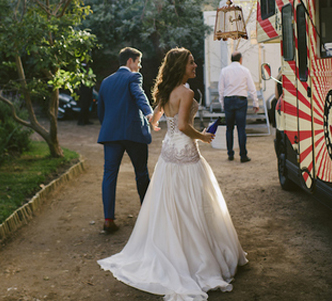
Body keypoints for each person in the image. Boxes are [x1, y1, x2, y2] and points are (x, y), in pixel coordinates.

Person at [98, 48, 248, 301]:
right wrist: (203, 135)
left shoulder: (166, 92)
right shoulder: (187, 92)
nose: (195, 65)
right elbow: (182, 126)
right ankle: (194, 255)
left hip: (168, 154)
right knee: (194, 202)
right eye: (191, 62)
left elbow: (156, 118)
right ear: (181, 66)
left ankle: (166, 246)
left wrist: (157, 122)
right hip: (186, 153)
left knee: (169, 203)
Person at [97, 47, 154, 234]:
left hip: (111, 134)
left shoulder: (105, 82)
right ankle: (148, 217)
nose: (139, 66)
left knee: (109, 175)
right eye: (138, 62)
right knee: (141, 173)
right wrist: (149, 112)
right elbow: (139, 94)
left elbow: (101, 111)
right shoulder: (133, 77)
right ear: (130, 61)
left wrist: (108, 126)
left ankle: (108, 220)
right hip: (133, 133)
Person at [218, 51, 259, 163]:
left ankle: (230, 153)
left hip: (228, 100)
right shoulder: (245, 71)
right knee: (241, 129)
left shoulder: (224, 71)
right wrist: (256, 102)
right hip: (241, 100)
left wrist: (222, 103)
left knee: (229, 128)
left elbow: (221, 89)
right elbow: (251, 88)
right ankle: (243, 155)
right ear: (241, 59)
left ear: (231, 59)